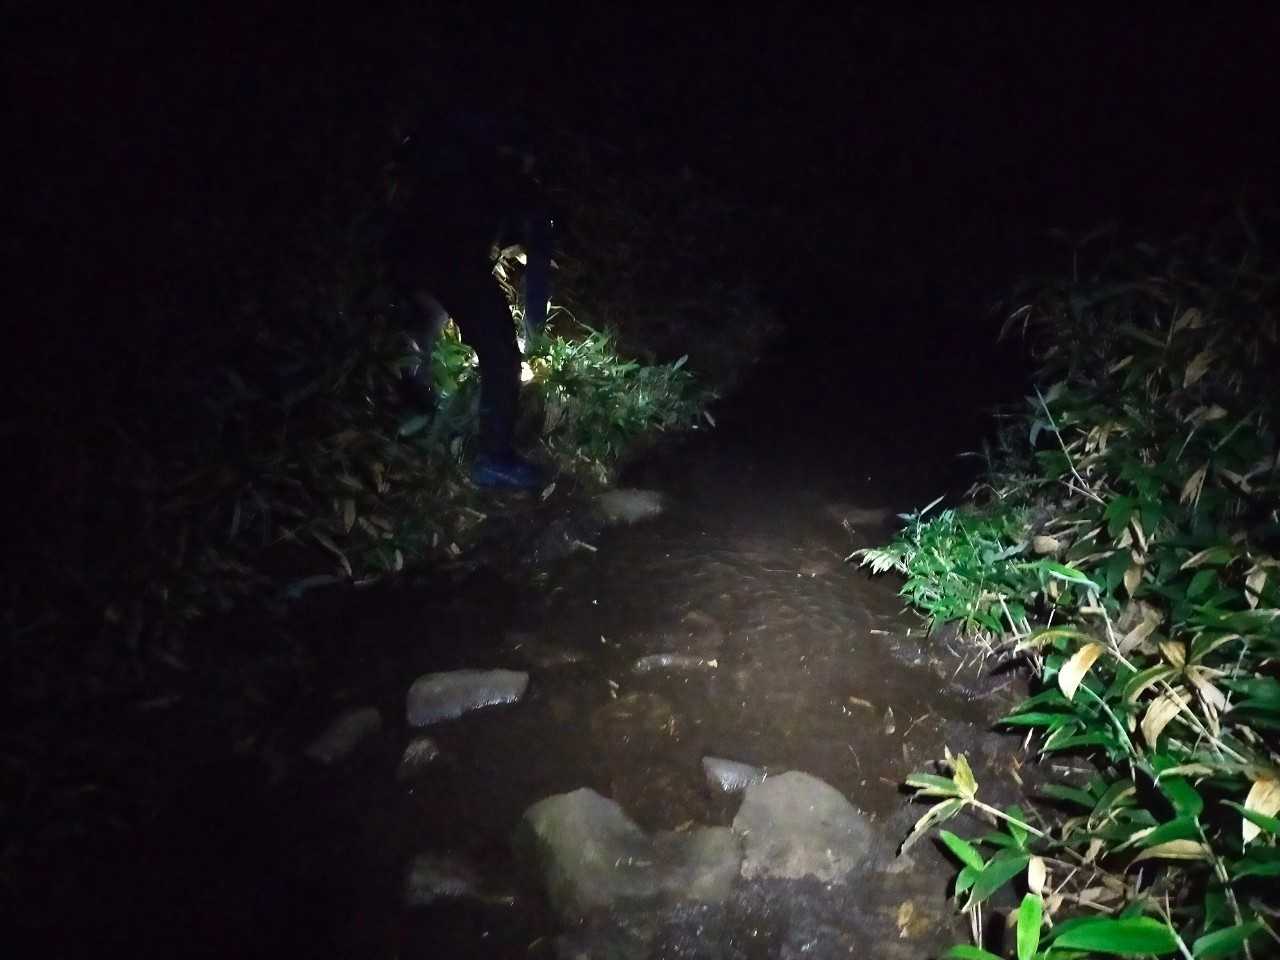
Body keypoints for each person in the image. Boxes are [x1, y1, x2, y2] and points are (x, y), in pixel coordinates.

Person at [382, 107, 553, 490]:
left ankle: (415, 424)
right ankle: (494, 460)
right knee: (502, 355)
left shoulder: (454, 150)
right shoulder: (516, 182)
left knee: (420, 332)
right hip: (453, 262)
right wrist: (534, 336)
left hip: (408, 253)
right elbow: (538, 268)